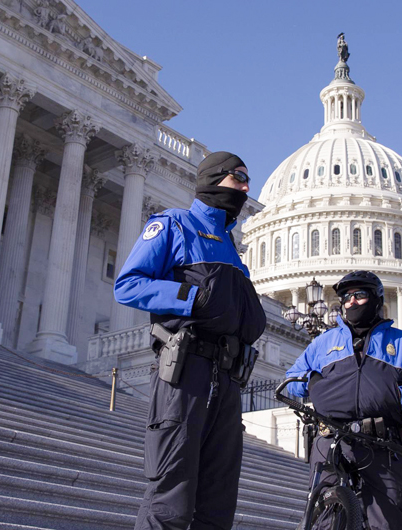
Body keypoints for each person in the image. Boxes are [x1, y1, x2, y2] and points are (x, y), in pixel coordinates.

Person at [114, 151, 267, 530]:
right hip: (186, 374)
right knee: (171, 498)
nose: (246, 188)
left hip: (228, 382)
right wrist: (189, 297)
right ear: (213, 179)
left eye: (248, 180)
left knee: (218, 503)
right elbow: (128, 285)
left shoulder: (232, 246)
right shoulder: (173, 224)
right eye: (238, 177)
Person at [285, 271, 402, 530]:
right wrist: (311, 383)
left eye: (359, 295)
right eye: (346, 297)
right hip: (332, 437)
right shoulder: (324, 342)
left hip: (382, 443)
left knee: (387, 521)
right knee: (326, 518)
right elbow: (292, 377)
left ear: (376, 299)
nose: (351, 302)